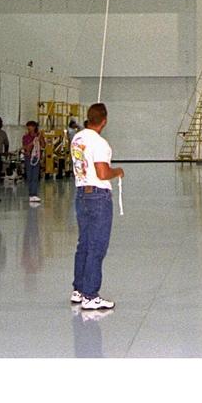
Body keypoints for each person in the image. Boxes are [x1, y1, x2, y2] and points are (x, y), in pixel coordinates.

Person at [69, 103, 123, 310]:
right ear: (104, 121)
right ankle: (90, 295)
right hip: (98, 197)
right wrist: (117, 171)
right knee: (97, 246)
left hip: (81, 194)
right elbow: (102, 173)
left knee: (84, 243)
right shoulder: (100, 143)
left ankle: (79, 289)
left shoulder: (77, 138)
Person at [22, 120, 44, 205]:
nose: (28, 128)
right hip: (28, 158)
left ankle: (34, 194)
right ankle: (31, 193)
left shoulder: (39, 136)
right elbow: (26, 147)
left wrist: (40, 138)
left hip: (36, 158)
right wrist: (34, 141)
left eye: (30, 127)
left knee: (35, 176)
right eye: (28, 127)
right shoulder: (25, 137)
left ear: (34, 127)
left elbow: (43, 145)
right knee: (29, 175)